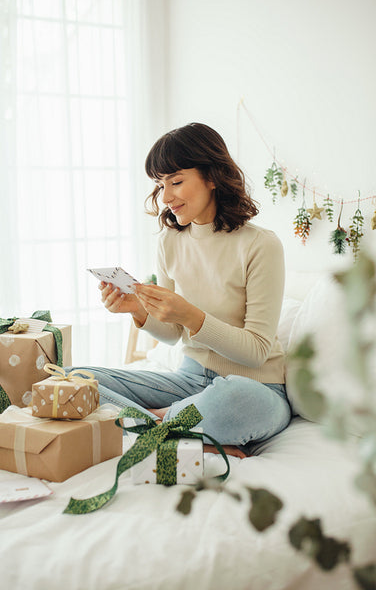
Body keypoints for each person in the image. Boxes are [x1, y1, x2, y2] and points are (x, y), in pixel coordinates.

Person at [72, 122, 291, 458]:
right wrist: (138, 310)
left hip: (255, 387)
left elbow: (257, 351)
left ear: (212, 176)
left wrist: (193, 316)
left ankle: (153, 423)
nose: (166, 196)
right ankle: (184, 431)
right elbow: (175, 334)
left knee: (233, 400)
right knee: (76, 378)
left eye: (175, 182)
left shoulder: (261, 245)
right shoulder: (170, 242)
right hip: (188, 382)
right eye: (160, 185)